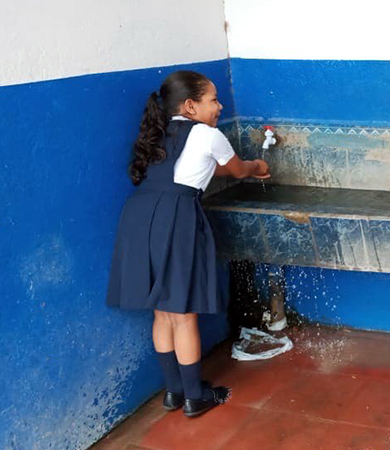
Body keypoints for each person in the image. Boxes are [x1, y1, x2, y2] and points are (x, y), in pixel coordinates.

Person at [106, 70, 270, 417]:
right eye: (213, 100)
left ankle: (174, 392)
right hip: (175, 216)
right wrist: (257, 165)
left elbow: (209, 169)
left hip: (138, 216)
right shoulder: (208, 135)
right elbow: (237, 170)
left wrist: (242, 168)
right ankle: (197, 396)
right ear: (191, 105)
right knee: (183, 313)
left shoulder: (157, 133)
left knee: (163, 311)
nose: (219, 105)